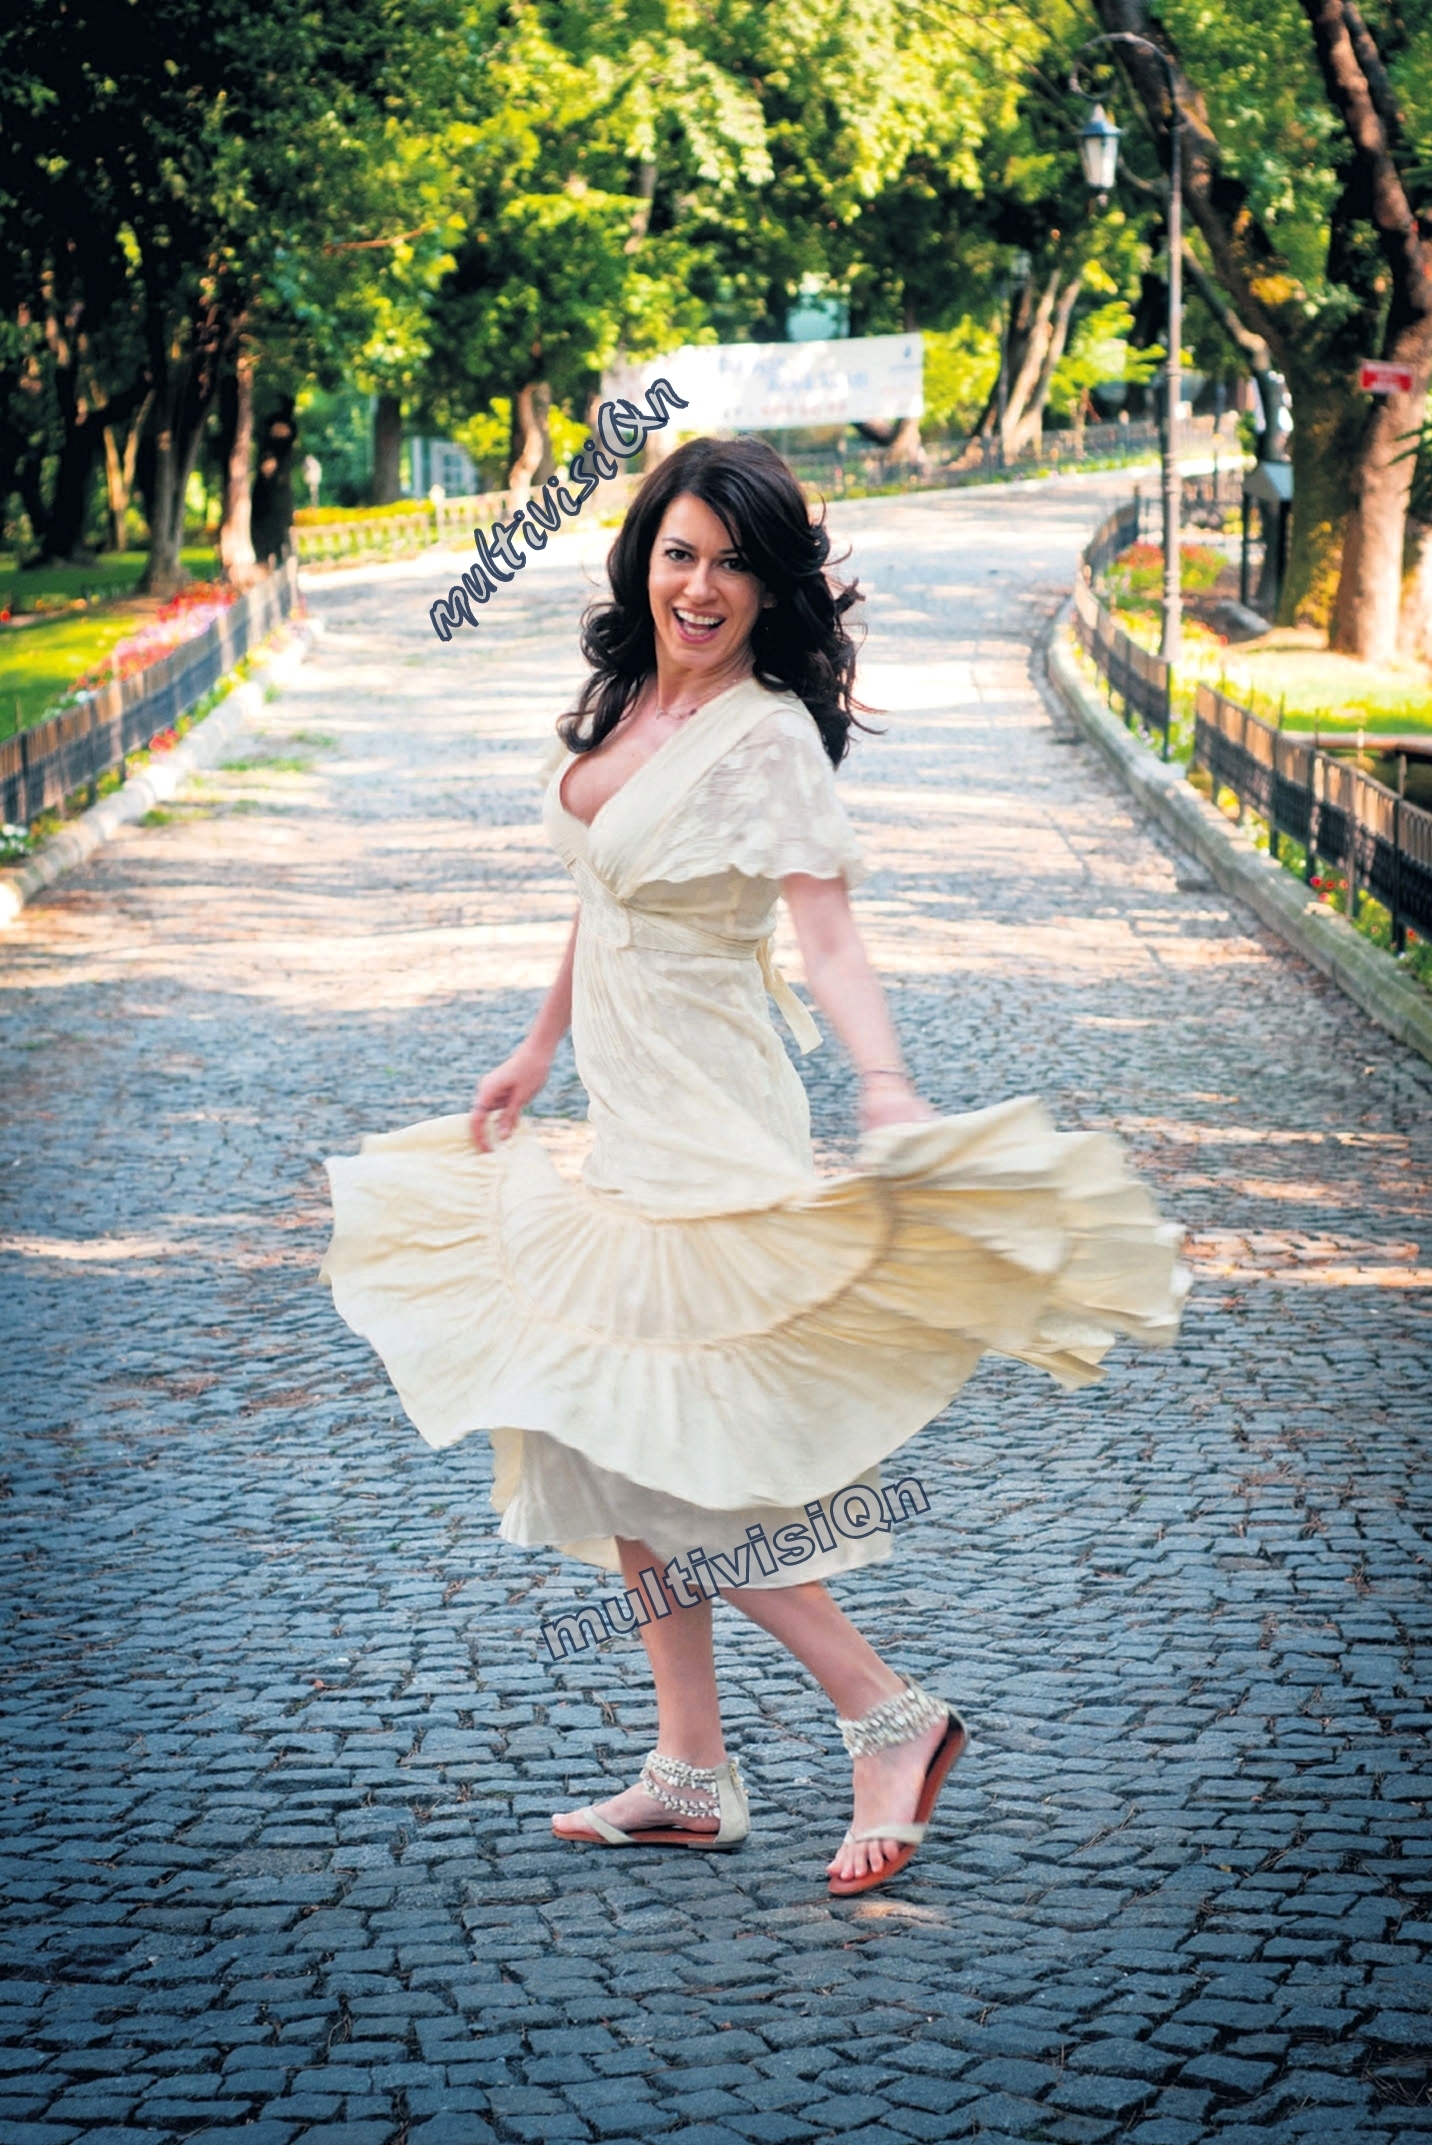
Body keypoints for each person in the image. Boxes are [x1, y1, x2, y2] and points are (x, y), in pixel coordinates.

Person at [321, 435, 1185, 1895]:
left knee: (665, 1441)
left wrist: (884, 1082)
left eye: (733, 563)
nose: (701, 586)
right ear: (642, 559)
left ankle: (889, 1714)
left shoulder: (767, 735)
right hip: (624, 1118)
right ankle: (689, 1770)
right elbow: (598, 895)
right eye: (680, 553)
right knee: (601, 1429)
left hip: (712, 1121)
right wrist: (537, 1046)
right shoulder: (627, 697)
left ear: (772, 585)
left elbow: (827, 934)